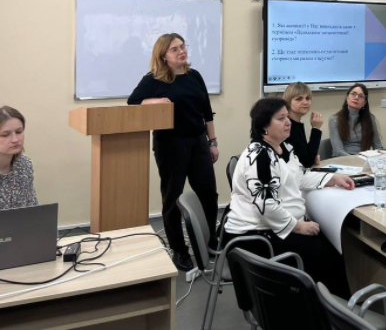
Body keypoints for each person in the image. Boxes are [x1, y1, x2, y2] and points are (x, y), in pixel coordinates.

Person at [224, 98, 354, 297]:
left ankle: (333, 304)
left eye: (287, 117)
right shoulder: (260, 156)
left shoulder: (284, 148)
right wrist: (298, 226)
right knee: (325, 254)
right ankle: (330, 307)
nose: (288, 122)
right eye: (280, 118)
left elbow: (300, 177)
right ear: (264, 126)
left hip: (273, 226)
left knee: (329, 248)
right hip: (255, 236)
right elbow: (266, 204)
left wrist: (332, 179)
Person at [127, 33, 219, 271]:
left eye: (182, 46)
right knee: (172, 198)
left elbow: (207, 112)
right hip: (170, 145)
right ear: (163, 56)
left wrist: (213, 141)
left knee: (208, 193)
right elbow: (133, 102)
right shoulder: (153, 80)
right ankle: (180, 250)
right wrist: (154, 102)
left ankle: (210, 240)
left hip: (198, 142)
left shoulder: (194, 76)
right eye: (175, 49)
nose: (181, 51)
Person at [328, 83, 384, 157]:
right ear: (347, 97)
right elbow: (338, 151)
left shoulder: (370, 119)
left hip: (364, 158)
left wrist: (381, 157)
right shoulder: (334, 119)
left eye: (361, 96)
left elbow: (378, 146)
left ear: (364, 103)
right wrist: (356, 160)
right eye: (353, 94)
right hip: (343, 159)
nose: (356, 97)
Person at [0, 106, 38, 210]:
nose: (15, 139)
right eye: (5, 135)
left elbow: (31, 207)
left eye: (19, 132)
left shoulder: (24, 163)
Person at [283, 82, 323, 168]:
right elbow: (306, 163)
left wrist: (313, 155)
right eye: (299, 99)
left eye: (308, 98)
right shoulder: (287, 126)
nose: (305, 102)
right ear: (288, 102)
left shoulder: (297, 124)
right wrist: (316, 129)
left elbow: (305, 155)